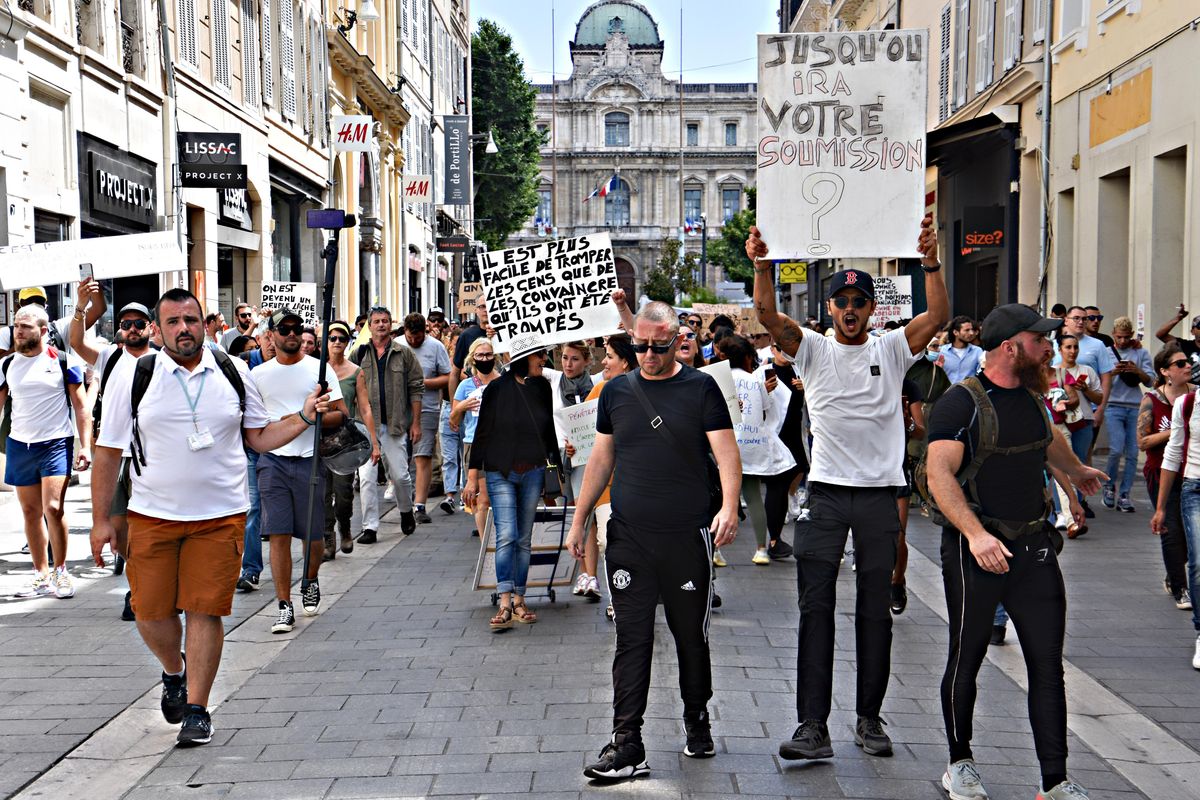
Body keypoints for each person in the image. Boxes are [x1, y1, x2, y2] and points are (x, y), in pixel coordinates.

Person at [90, 288, 332, 747]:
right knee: (150, 611)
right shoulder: (133, 375)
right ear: (158, 331)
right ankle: (174, 671)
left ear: (205, 324)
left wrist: (303, 415)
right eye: (174, 322)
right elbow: (108, 450)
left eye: (192, 319)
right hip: (151, 514)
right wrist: (102, 519)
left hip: (220, 516)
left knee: (205, 610)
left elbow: (259, 437)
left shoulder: (234, 370)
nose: (185, 328)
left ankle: (198, 709)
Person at [746, 213, 947, 761]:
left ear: (871, 310)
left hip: (881, 494)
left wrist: (930, 260)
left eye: (861, 303)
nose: (852, 310)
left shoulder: (891, 349)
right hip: (828, 494)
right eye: (843, 302)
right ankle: (813, 726)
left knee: (874, 610)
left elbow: (939, 315)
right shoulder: (811, 348)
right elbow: (765, 315)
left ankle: (869, 719)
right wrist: (762, 262)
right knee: (815, 607)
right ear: (831, 309)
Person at [926, 303, 1105, 800]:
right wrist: (976, 536)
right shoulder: (960, 404)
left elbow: (1048, 442)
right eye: (1040, 338)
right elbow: (938, 475)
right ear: (1011, 347)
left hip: (1034, 548)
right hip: (976, 551)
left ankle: (1054, 781)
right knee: (967, 657)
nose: (1049, 345)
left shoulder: (1030, 397)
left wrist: (1077, 473)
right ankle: (959, 763)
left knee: (1047, 664)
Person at [564, 302, 740, 781]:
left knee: (689, 637)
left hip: (685, 536)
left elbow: (726, 453)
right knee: (631, 638)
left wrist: (728, 506)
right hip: (629, 537)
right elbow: (601, 459)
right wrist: (579, 520)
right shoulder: (617, 392)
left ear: (675, 341)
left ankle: (696, 715)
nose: (646, 354)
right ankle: (627, 742)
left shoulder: (700, 388)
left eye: (657, 347)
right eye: (639, 346)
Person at [251, 309, 348, 633]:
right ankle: (283, 605)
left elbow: (341, 414)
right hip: (273, 461)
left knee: (312, 534)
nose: (291, 334)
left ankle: (309, 579)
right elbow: (254, 423)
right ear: (271, 335)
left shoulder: (317, 370)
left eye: (297, 328)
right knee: (277, 534)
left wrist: (320, 413)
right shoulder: (259, 374)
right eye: (284, 329)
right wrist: (295, 418)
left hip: (309, 458)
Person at [462, 349, 562, 630]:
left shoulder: (542, 386)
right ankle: (504, 600)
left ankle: (520, 598)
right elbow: (482, 432)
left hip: (533, 471)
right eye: (539, 355)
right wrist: (472, 477)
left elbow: (548, 430)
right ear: (525, 357)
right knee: (506, 534)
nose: (544, 360)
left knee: (524, 538)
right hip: (500, 471)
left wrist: (555, 471)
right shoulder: (497, 388)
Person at [70, 299, 155, 616]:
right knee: (121, 532)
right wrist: (81, 306)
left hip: (148, 459)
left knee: (146, 528)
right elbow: (76, 341)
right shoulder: (110, 357)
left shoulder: (162, 362)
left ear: (151, 327)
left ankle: (139, 590)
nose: (132, 329)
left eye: (139, 323)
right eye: (126, 324)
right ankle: (136, 581)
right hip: (115, 457)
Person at [1, 305, 91, 599]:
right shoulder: (7, 365)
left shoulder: (63, 361)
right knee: (30, 511)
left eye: (25, 326)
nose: (18, 331)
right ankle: (40, 575)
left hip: (55, 442)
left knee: (53, 508)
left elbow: (81, 407)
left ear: (42, 330)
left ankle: (61, 570)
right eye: (16, 326)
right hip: (19, 444)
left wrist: (86, 446)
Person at [718, 333, 796, 564]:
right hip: (751, 448)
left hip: (725, 447)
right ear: (746, 357)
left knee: (722, 499)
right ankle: (762, 548)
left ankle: (715, 551)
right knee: (753, 499)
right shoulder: (754, 380)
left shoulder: (717, 379)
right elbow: (765, 407)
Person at [578, 334, 638, 619]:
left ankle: (638, 592)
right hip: (607, 485)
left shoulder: (647, 391)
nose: (604, 361)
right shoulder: (600, 390)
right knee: (607, 539)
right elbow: (582, 433)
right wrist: (572, 446)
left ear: (625, 362)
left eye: (610, 356)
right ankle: (619, 597)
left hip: (641, 483)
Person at [352, 306, 423, 541]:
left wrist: (416, 423)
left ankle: (405, 511)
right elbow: (346, 381)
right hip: (365, 426)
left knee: (401, 476)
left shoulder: (404, 353)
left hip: (395, 424)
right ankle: (370, 527)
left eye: (385, 321)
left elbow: (416, 388)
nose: (381, 325)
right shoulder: (359, 353)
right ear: (369, 326)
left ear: (391, 324)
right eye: (376, 321)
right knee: (366, 478)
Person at [1152, 363, 1200, 670]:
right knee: (1198, 563)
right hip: (1195, 488)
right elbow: (1173, 453)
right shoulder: (1188, 404)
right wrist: (1159, 507)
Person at [1140, 346, 1194, 611]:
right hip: (1161, 473)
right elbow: (1143, 441)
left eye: (1188, 362)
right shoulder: (1152, 400)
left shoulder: (1196, 396)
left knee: (1190, 535)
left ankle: (1174, 573)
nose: (1187, 366)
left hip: (1192, 473)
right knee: (1171, 530)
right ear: (1165, 371)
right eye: (1180, 363)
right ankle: (1179, 587)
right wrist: (1176, 429)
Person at [322, 320, 380, 559]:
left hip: (344, 442)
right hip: (318, 441)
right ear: (326, 341)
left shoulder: (356, 372)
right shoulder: (317, 369)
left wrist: (374, 443)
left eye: (342, 339)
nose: (337, 342)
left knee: (344, 492)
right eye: (333, 338)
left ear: (348, 342)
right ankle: (328, 539)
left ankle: (344, 526)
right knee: (322, 493)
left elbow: (365, 408)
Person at [400, 313, 451, 524]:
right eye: (410, 338)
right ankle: (404, 501)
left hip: (427, 409)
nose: (414, 341)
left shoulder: (436, 347)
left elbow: (447, 376)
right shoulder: (397, 345)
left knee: (423, 455)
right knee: (400, 457)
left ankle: (419, 505)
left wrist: (423, 383)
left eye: (418, 338)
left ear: (425, 332)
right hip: (399, 409)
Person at [450, 337, 499, 539]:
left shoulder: (503, 381)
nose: (484, 358)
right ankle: (485, 544)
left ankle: (496, 538)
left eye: (488, 355)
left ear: (494, 357)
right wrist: (462, 406)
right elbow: (453, 419)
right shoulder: (466, 385)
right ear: (473, 358)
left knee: (498, 497)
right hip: (475, 443)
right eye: (480, 355)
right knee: (483, 498)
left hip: (501, 443)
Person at [1056, 307, 1115, 471]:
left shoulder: (1097, 345)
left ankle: (1080, 495)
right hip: (1057, 413)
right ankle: (1060, 495)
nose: (1081, 322)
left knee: (1082, 458)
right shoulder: (1054, 344)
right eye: (1076, 318)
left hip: (1087, 411)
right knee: (1058, 458)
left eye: (1084, 319)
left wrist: (1100, 410)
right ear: (1066, 320)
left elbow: (1106, 377)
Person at [1103, 317, 1152, 512]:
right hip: (1113, 406)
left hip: (1134, 406)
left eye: (1126, 337)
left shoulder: (1140, 352)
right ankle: (1109, 485)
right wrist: (1112, 372)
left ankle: (1125, 494)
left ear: (1131, 335)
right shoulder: (1106, 353)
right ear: (1113, 334)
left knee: (1132, 453)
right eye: (1118, 337)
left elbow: (1150, 381)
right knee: (1115, 449)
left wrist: (1136, 370)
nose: (1122, 341)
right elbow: (1098, 380)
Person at [0, 282, 107, 358]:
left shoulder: (58, 329)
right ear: (19, 306)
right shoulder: (7, 334)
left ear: (45, 306)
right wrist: (21, 345)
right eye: (28, 302)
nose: (34, 305)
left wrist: (91, 282)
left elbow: (98, 309)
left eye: (38, 301)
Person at [940, 315, 983, 384]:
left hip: (969, 393)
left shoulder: (977, 351)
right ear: (955, 332)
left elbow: (981, 374)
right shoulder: (942, 351)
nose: (971, 333)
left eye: (972, 329)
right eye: (967, 330)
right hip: (946, 393)